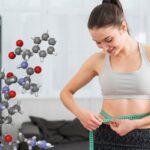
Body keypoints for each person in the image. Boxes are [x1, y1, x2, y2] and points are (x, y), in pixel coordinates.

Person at [60, 0, 150, 149]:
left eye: (108, 40)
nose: (104, 48)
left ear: (123, 27)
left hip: (145, 135)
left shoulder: (148, 54)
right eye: (98, 43)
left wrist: (135, 123)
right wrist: (81, 114)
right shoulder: (97, 60)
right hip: (106, 135)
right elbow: (65, 93)